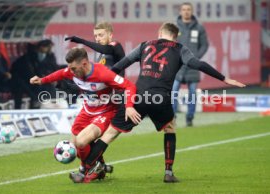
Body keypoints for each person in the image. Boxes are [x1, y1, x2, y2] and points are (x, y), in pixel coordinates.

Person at [73, 23, 245, 184]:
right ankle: (168, 172)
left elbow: (119, 66)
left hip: (138, 96)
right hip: (160, 98)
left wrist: (96, 82)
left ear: (160, 34)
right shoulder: (180, 49)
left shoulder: (145, 45)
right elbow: (198, 64)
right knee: (170, 128)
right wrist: (224, 78)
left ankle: (82, 171)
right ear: (175, 37)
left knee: (109, 135)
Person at [30, 47, 140, 183]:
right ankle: (99, 167)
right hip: (87, 111)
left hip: (106, 112)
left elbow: (129, 86)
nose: (71, 72)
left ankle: (83, 171)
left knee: (81, 141)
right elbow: (60, 73)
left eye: (74, 68)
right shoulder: (72, 71)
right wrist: (42, 80)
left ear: (84, 64)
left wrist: (129, 106)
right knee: (76, 144)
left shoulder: (103, 74)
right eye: (70, 68)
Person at [64, 22, 126, 176]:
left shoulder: (115, 47)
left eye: (101, 35)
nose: (98, 38)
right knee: (78, 140)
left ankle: (88, 168)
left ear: (110, 35)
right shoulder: (101, 56)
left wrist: (82, 41)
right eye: (96, 36)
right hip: (97, 104)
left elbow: (107, 50)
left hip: (111, 105)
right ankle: (100, 166)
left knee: (84, 140)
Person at [172, 2, 209, 126]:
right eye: (184, 9)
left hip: (192, 65)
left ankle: (189, 117)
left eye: (188, 9)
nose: (186, 12)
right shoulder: (174, 27)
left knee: (192, 93)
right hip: (177, 66)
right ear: (180, 11)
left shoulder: (199, 28)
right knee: (173, 92)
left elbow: (205, 45)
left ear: (192, 11)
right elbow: (169, 42)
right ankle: (172, 118)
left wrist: (196, 57)